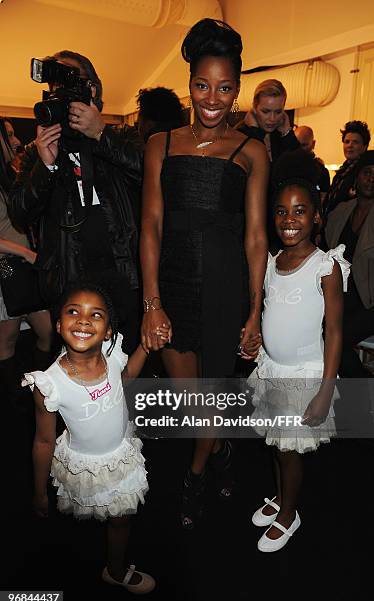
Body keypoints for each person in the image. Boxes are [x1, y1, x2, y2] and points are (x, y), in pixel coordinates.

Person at [140, 18, 269, 529]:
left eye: (224, 87)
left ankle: (193, 478)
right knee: (193, 404)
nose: (212, 98)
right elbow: (150, 225)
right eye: (201, 85)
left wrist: (255, 311)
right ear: (189, 82)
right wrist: (152, 302)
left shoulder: (253, 150)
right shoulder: (161, 145)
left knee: (209, 400)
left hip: (224, 289)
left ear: (237, 90)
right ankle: (218, 454)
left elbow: (256, 238)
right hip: (170, 286)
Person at [23, 283, 169, 592]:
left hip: (119, 454)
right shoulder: (50, 383)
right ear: (59, 324)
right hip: (87, 463)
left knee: (119, 519)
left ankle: (113, 569)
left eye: (96, 314)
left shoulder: (112, 353)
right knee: (106, 518)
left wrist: (144, 348)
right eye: (73, 311)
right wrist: (39, 492)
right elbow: (44, 440)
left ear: (107, 331)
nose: (84, 320)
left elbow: (126, 377)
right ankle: (114, 571)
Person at [246, 150, 349, 552]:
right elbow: (268, 312)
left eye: (300, 211)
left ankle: (290, 513)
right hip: (272, 369)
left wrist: (325, 390)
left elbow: (336, 332)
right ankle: (280, 498)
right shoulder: (272, 262)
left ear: (317, 217)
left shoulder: (326, 266)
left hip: (304, 376)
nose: (290, 220)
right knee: (275, 442)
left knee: (289, 450)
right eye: (281, 212)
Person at [9, 51, 143, 354]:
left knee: (127, 359)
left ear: (92, 90)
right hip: (68, 277)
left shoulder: (119, 135)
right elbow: (19, 213)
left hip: (122, 273)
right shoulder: (38, 149)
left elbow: (150, 176)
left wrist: (100, 134)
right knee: (77, 369)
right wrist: (46, 167)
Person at [0, 118, 53, 403]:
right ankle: (13, 404)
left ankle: (36, 388)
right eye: (8, 135)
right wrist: (26, 253)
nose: (16, 140)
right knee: (6, 344)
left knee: (47, 333)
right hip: (7, 269)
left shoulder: (9, 175)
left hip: (23, 268)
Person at [324, 150, 374, 378]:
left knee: (334, 340)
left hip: (369, 301)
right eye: (367, 172)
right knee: (317, 334)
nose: (371, 178)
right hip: (340, 295)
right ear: (357, 176)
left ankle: (362, 390)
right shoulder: (341, 211)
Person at [236, 79, 300, 162]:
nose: (272, 118)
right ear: (254, 108)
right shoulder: (239, 135)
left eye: (278, 112)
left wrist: (287, 133)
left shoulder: (280, 135)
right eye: (265, 112)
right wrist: (255, 132)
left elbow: (302, 167)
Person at [324, 120, 371, 215]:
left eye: (355, 142)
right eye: (347, 142)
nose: (350, 145)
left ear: (364, 146)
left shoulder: (365, 174)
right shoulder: (342, 172)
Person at [294, 125, 330, 201]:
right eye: (296, 145)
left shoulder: (322, 172)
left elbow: (323, 201)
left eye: (304, 145)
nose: (299, 149)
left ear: (313, 144)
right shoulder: (285, 168)